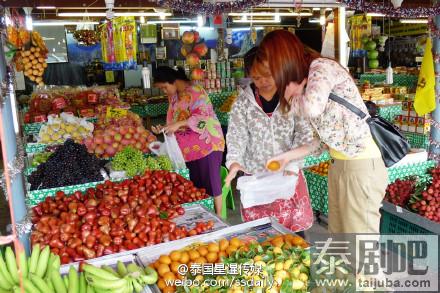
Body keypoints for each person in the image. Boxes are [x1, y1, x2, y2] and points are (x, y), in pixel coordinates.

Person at [258, 30, 388, 234]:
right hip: (339, 166)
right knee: (340, 240)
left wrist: (293, 97)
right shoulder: (306, 84)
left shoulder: (321, 67)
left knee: (359, 245)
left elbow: (312, 107)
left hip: (360, 166)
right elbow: (316, 142)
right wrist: (286, 157)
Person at [225, 47, 315, 233]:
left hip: (288, 177)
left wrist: (292, 164)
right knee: (262, 238)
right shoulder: (242, 104)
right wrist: (234, 161)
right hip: (257, 179)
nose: (262, 82)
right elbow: (236, 136)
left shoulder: (293, 97)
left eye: (267, 75)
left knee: (294, 238)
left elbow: (304, 134)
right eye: (256, 77)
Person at [152, 66, 225, 216]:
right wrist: (164, 128)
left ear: (173, 80)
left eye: (164, 87)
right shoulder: (173, 97)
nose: (164, 92)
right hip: (188, 150)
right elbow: (173, 121)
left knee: (212, 185)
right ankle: (202, 217)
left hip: (207, 145)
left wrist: (178, 124)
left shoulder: (196, 91)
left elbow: (203, 118)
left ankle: (219, 219)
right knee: (195, 188)